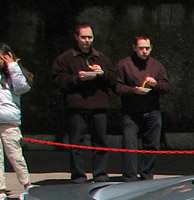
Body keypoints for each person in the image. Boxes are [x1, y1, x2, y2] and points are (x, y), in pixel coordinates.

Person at [52, 23, 115, 182]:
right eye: (84, 37)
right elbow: (59, 80)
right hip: (76, 106)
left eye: (90, 37)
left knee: (100, 142)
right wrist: (77, 79)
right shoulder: (66, 58)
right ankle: (78, 176)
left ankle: (100, 174)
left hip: (99, 106)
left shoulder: (100, 58)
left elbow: (114, 80)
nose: (87, 41)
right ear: (76, 37)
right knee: (76, 144)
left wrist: (102, 73)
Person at [114, 36, 170, 180]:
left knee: (152, 145)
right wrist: (134, 90)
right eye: (141, 48)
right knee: (129, 145)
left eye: (147, 48)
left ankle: (147, 175)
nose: (144, 51)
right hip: (131, 112)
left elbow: (166, 87)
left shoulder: (157, 65)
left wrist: (155, 84)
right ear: (134, 47)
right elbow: (117, 87)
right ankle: (130, 177)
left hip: (152, 110)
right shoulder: (124, 65)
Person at [0, 43, 32, 200]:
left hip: (9, 121)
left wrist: (12, 66)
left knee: (15, 155)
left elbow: (22, 88)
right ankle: (0, 190)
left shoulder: (13, 74)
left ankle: (27, 185)